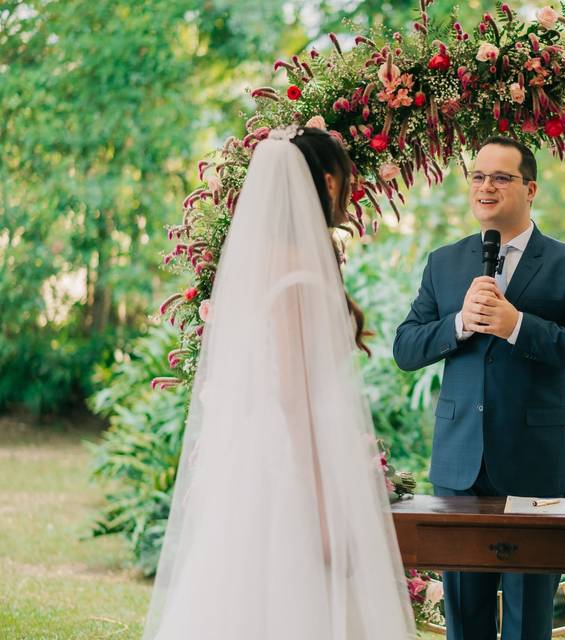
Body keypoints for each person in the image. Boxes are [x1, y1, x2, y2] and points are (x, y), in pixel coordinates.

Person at [142, 127, 416, 640]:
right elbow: (294, 398)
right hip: (292, 469)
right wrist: (323, 504)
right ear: (330, 184)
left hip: (252, 463)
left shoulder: (254, 267)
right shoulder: (297, 274)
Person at [393, 137, 565, 640]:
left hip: (535, 466)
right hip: (458, 465)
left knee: (528, 623)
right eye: (478, 176)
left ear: (530, 189)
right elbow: (406, 348)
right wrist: (460, 324)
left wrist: (518, 326)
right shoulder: (443, 262)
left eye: (501, 177)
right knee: (464, 624)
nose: (486, 186)